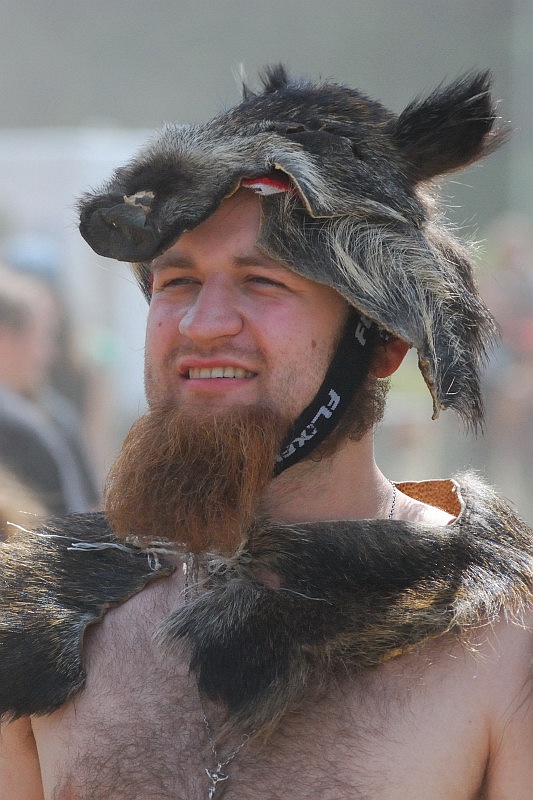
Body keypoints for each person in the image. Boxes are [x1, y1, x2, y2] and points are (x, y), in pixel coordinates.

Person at [1, 65, 532, 800]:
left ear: (380, 339)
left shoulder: (501, 646)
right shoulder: (43, 631)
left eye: (264, 282)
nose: (200, 324)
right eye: (177, 281)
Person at [0, 268, 100, 516]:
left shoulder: (54, 418)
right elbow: (76, 535)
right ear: (5, 337)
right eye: (42, 336)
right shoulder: (26, 429)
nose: (48, 356)